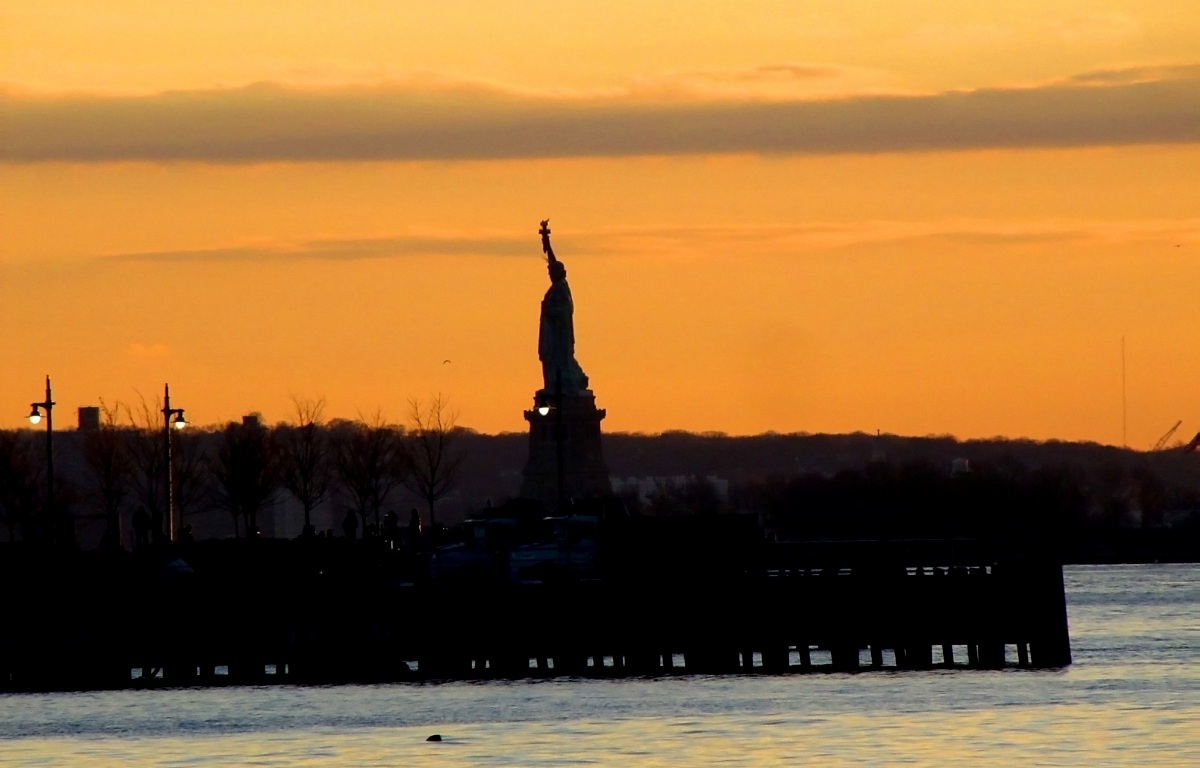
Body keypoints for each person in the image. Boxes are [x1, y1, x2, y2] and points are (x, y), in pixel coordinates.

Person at [538, 220, 589, 394]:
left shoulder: (561, 290)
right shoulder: (556, 288)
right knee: (550, 361)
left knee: (558, 360)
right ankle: (554, 386)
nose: (550, 275)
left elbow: (562, 312)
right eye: (549, 273)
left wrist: (550, 312)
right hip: (551, 334)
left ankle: (562, 385)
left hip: (559, 336)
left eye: (553, 273)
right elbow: (552, 261)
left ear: (561, 274)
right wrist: (547, 242)